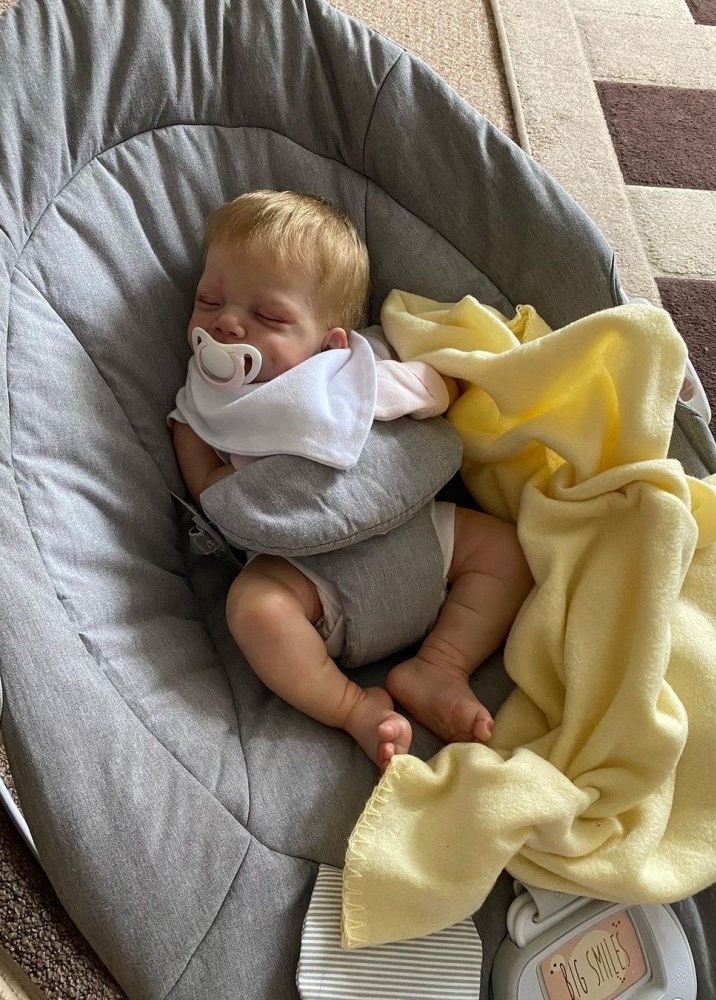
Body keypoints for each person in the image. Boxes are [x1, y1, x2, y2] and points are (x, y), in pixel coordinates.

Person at [170, 190, 533, 770]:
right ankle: (352, 707)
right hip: (309, 575)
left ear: (330, 343)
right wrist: (215, 483)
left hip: (419, 539)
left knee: (509, 552)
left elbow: (430, 390)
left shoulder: (351, 374)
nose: (227, 323)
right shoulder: (204, 402)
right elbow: (202, 470)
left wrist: (453, 381)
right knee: (256, 608)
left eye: (268, 317)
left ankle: (441, 666)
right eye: (209, 301)